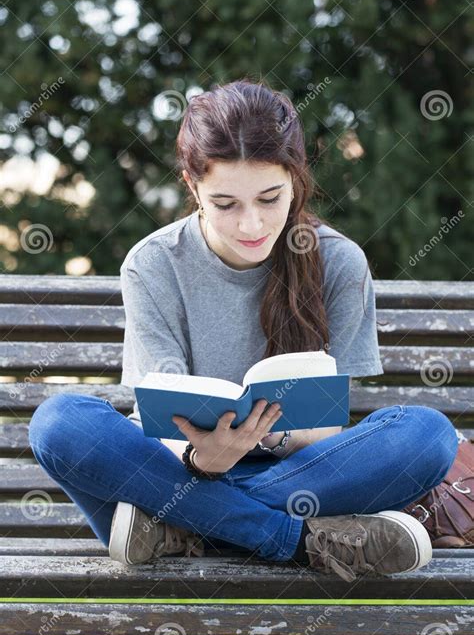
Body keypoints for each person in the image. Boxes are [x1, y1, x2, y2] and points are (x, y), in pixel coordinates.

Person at [28, 79, 458, 583]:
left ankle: (182, 532)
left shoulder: (339, 262)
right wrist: (201, 458)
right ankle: (295, 541)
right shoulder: (153, 264)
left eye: (270, 198)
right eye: (226, 203)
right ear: (193, 187)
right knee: (60, 423)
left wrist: (267, 440)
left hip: (294, 477)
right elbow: (158, 414)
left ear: (296, 180)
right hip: (175, 476)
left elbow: (327, 433)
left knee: (428, 435)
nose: (252, 224)